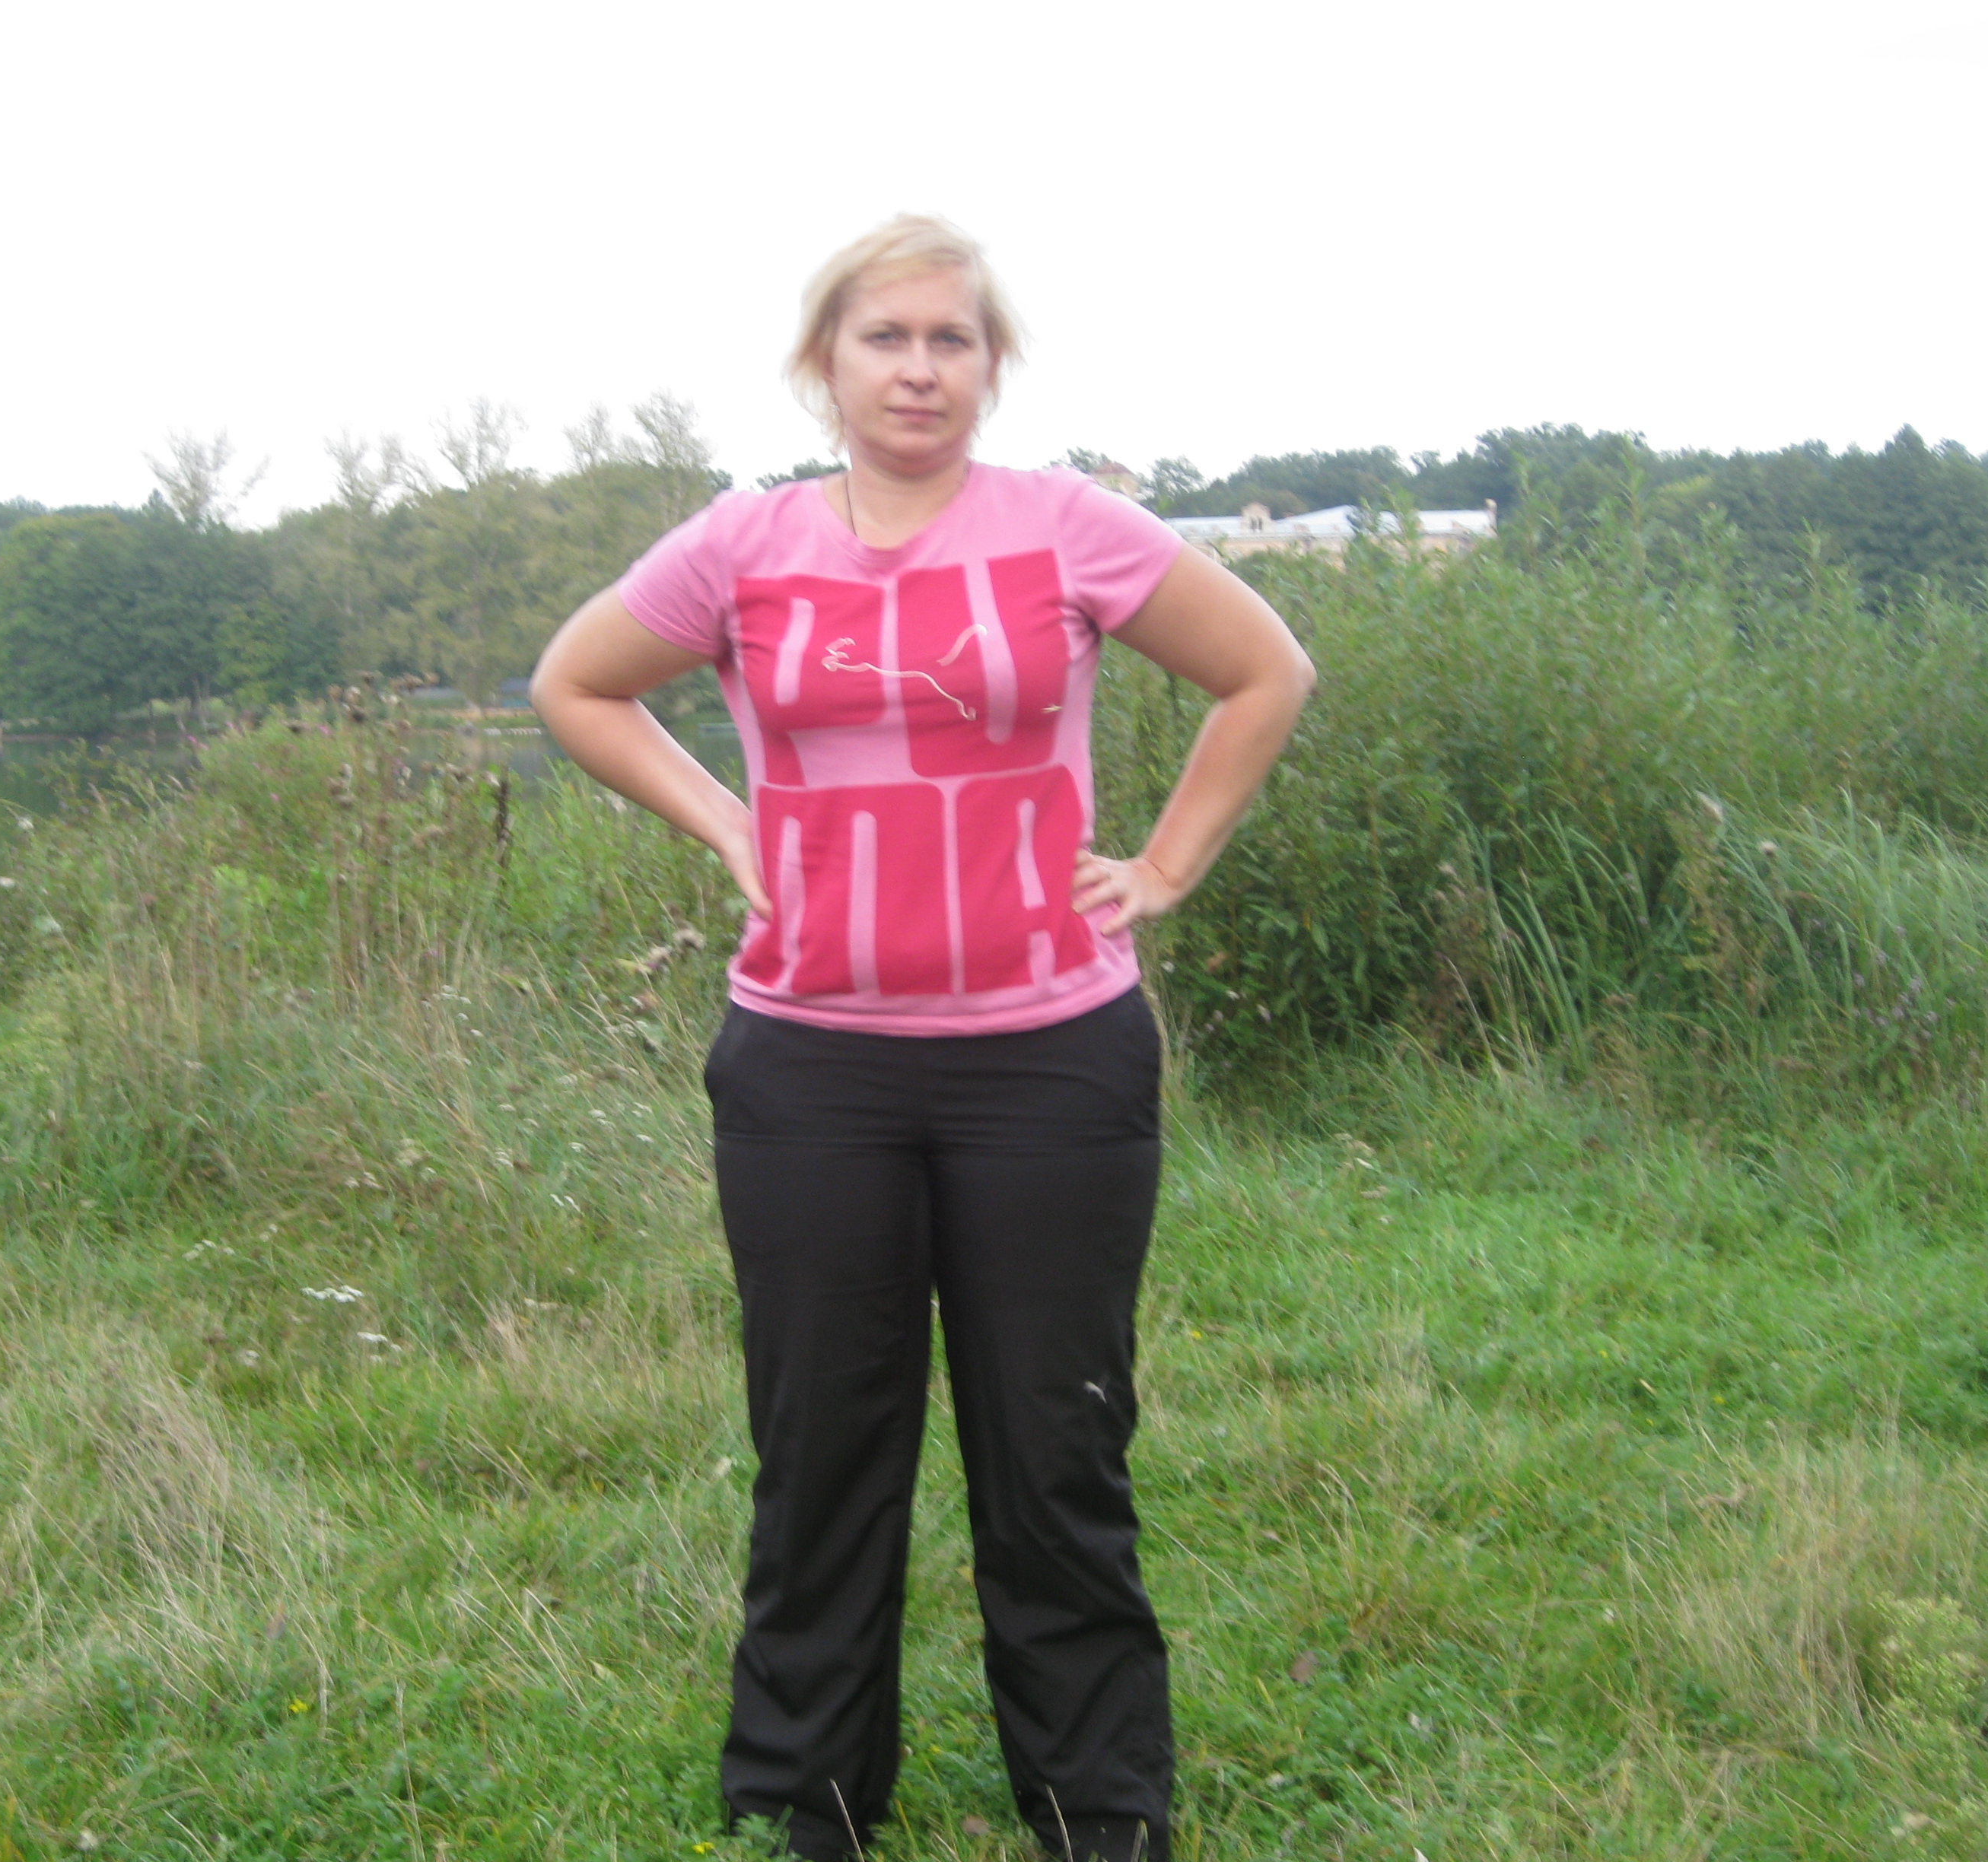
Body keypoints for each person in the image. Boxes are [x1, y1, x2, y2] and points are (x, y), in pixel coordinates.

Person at [532, 214, 1312, 1862]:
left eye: (951, 339)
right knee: (823, 1443)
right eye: (884, 338)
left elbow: (1265, 672)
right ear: (824, 363)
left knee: (1057, 1437)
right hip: (810, 1067)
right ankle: (802, 1797)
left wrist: (1166, 867)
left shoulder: (1070, 528)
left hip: (1052, 1060)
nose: (917, 369)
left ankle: (1098, 1805)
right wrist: (728, 821)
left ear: (992, 366)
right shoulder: (741, 546)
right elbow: (578, 686)